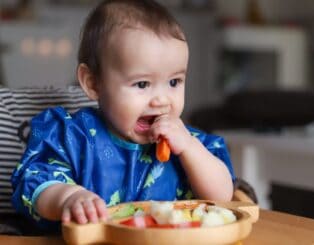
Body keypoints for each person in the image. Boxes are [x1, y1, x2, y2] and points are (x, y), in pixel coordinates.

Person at [11, 0, 235, 230]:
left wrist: (189, 148)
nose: (162, 100)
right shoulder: (72, 137)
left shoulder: (189, 144)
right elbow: (35, 183)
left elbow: (223, 196)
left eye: (174, 82)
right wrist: (68, 198)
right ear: (93, 83)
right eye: (141, 84)